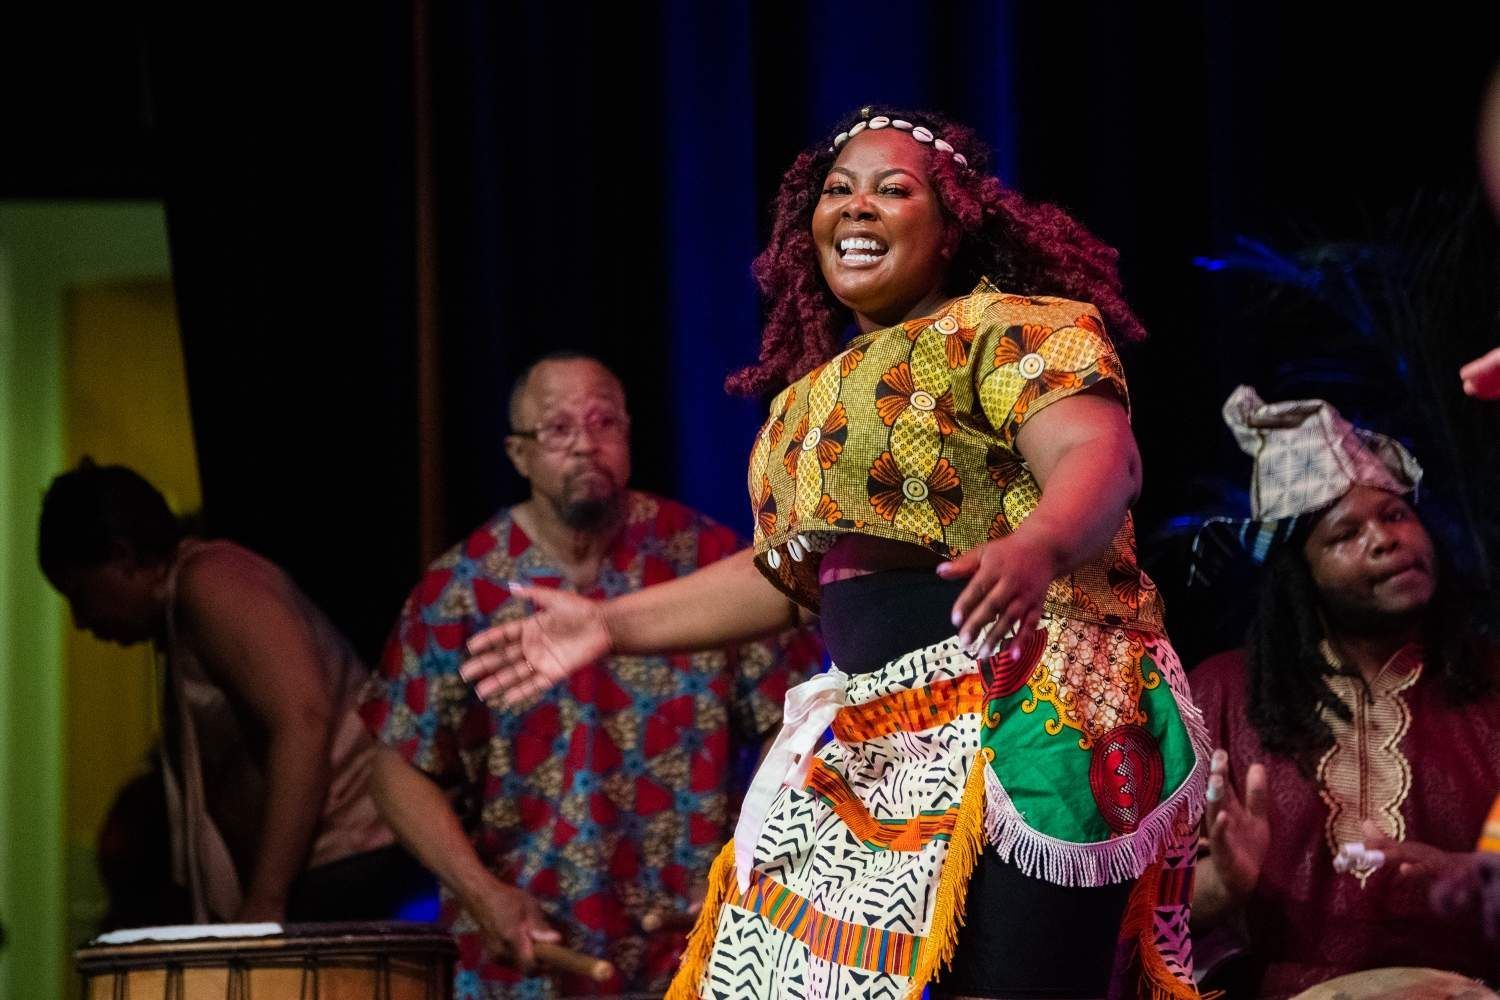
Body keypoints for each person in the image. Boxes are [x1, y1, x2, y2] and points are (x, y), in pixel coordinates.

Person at [461, 108, 1209, 1000]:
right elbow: (787, 576)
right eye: (837, 191)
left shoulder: (1012, 330)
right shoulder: (806, 400)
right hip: (884, 725)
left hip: (1029, 700)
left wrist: (1038, 544)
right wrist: (609, 625)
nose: (857, 208)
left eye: (894, 189)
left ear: (953, 225)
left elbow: (1100, 456)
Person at [359, 353, 824, 1000]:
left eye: (604, 421)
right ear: (517, 454)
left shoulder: (704, 561)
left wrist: (744, 863)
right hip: (528, 955)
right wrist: (482, 893)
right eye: (557, 428)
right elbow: (394, 765)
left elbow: (800, 719)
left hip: (688, 944)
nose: (585, 442)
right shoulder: (460, 589)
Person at [1190, 386, 1500, 997]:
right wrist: (1225, 887)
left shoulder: (1492, 681)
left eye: (1395, 515)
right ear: (1299, 577)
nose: (1385, 540)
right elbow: (1134, 912)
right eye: (1344, 535)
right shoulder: (1221, 692)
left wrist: (1485, 878)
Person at [39, 462, 427, 924]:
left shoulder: (210, 583)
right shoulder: (184, 612)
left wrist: (265, 900)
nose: (82, 622)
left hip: (354, 856)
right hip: (334, 867)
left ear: (123, 557)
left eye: (80, 595)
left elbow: (302, 720)